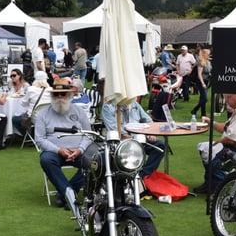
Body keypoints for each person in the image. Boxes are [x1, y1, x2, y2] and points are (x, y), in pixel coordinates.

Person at [35, 78, 92, 208]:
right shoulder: (42, 114)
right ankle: (69, 193)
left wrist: (80, 149)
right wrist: (58, 150)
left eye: (63, 94)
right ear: (52, 95)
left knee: (95, 161)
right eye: (56, 94)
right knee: (46, 160)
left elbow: (89, 134)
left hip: (78, 151)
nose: (60, 97)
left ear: (70, 94)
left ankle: (65, 194)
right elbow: (39, 139)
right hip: (55, 152)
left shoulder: (79, 111)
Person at [193, 94, 236, 193]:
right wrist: (210, 122)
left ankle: (219, 187)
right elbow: (226, 127)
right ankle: (210, 183)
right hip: (235, 146)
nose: (226, 100)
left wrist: (218, 142)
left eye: (229, 97)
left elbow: (233, 140)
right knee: (203, 147)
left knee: (209, 151)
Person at [101, 98, 165, 177]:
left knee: (160, 146)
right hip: (120, 143)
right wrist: (126, 136)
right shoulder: (108, 106)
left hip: (138, 140)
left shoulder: (135, 104)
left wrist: (150, 133)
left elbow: (148, 120)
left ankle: (143, 175)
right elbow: (113, 128)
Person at [190, 48, 211, 118]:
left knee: (202, 98)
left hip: (207, 81)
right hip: (201, 81)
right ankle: (194, 110)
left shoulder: (208, 61)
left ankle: (203, 114)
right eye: (208, 54)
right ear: (204, 54)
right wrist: (203, 83)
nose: (209, 55)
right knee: (205, 98)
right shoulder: (201, 61)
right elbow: (199, 74)